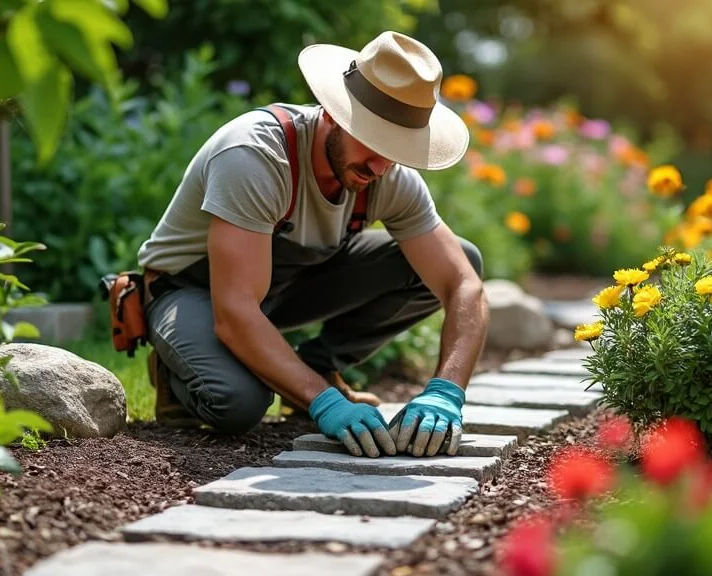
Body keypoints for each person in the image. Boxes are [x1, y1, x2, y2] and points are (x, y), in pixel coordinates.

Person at [135, 30, 488, 459]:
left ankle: (318, 366)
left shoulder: (388, 178)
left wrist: (447, 391)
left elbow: (463, 284)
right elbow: (235, 312)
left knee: (463, 256)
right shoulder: (255, 155)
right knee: (237, 404)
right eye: (375, 141)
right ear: (336, 114)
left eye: (398, 149)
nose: (381, 165)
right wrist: (323, 403)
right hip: (197, 292)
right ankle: (176, 372)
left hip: (284, 289)